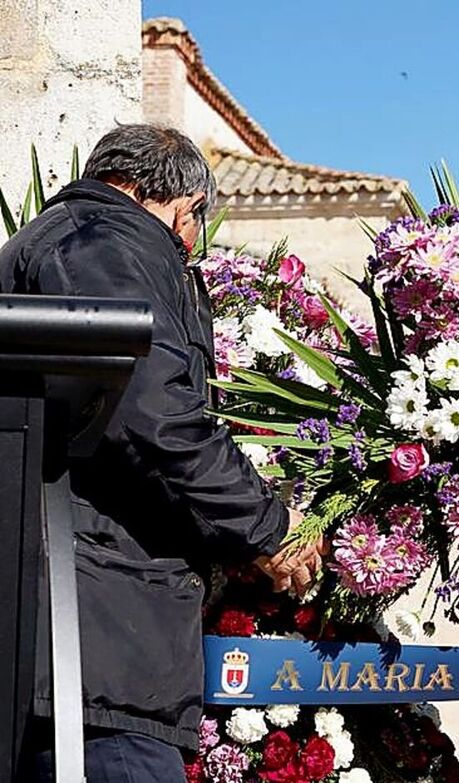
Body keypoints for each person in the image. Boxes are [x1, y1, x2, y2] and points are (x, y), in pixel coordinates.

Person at [0, 124, 325, 782]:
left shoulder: (63, 242)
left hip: (85, 653)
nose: (189, 249)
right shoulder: (101, 241)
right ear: (183, 207)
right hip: (93, 659)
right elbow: (152, 409)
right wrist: (268, 526)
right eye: (194, 227)